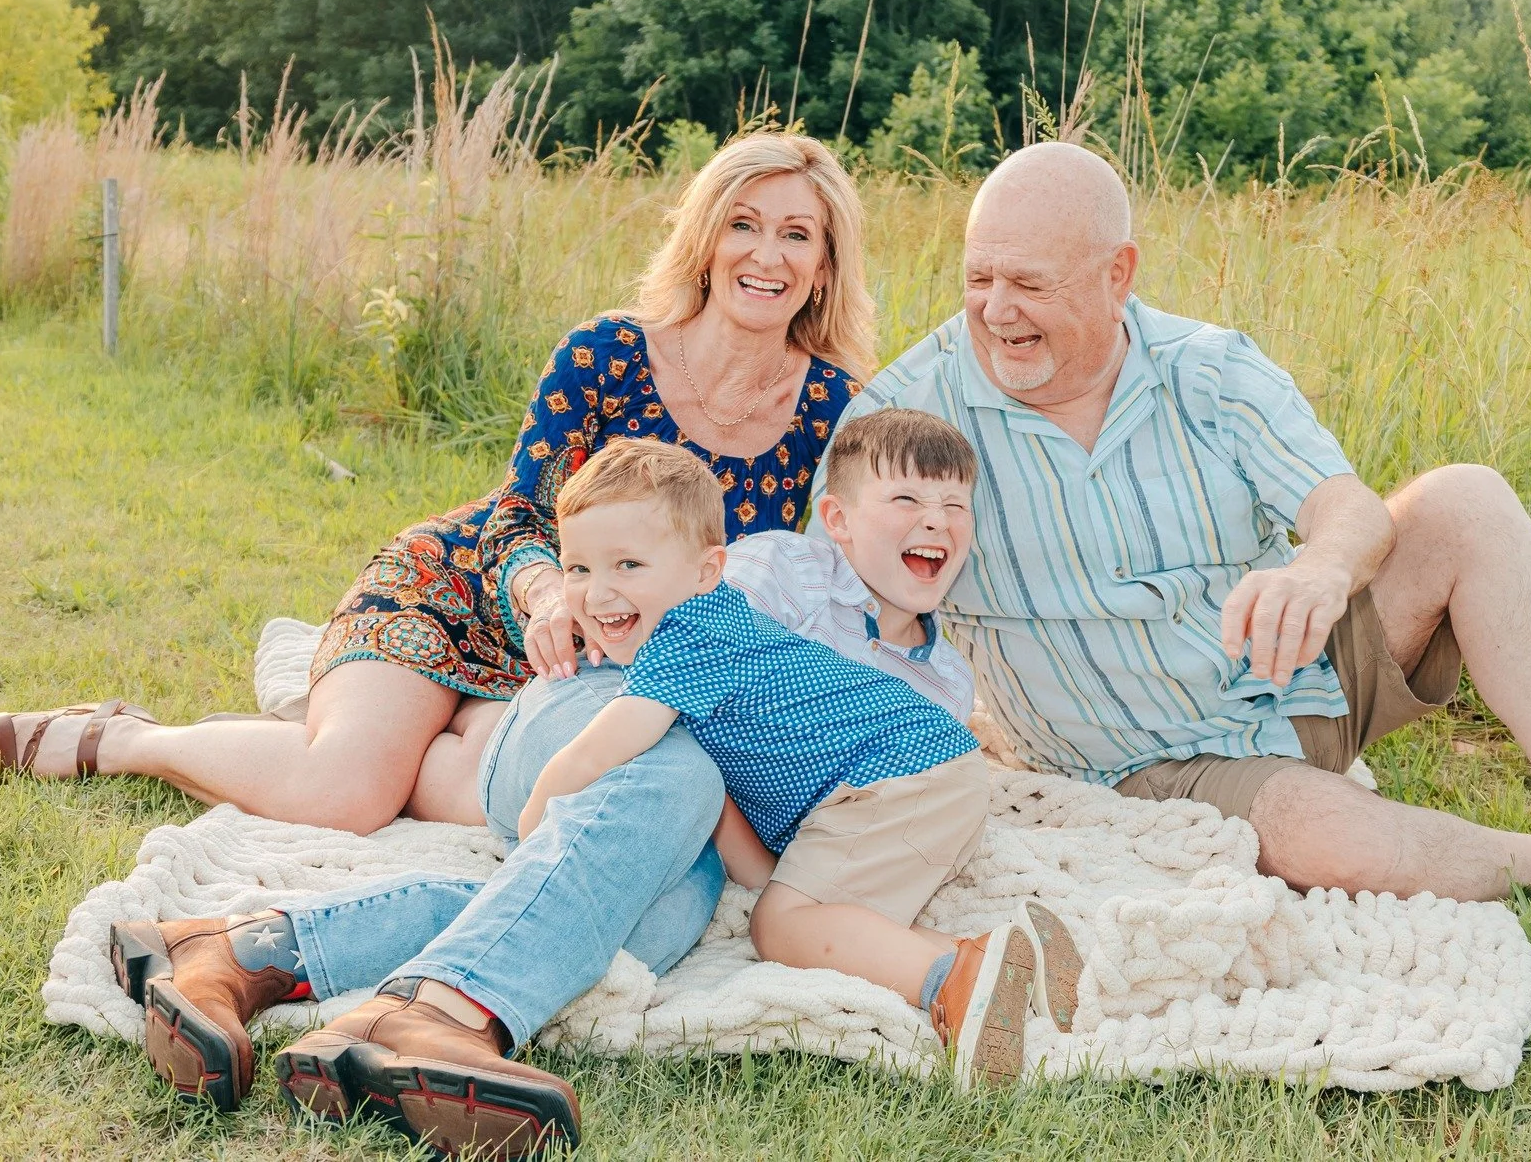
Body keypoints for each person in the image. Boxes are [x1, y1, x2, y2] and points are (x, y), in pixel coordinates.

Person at [821, 141, 1531, 971]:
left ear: (1117, 275)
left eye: (1029, 284)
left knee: (1465, 500)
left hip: (1292, 675)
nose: (994, 310)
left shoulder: (1206, 368)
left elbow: (1346, 508)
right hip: (1147, 759)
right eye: (978, 278)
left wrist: (1319, 570)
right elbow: (841, 594)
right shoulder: (909, 419)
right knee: (1317, 826)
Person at [108, 414, 1077, 1158]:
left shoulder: (721, 600)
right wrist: (555, 609)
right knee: (671, 774)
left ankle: (238, 949)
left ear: (703, 565)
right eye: (586, 566)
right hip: (584, 704)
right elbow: (634, 703)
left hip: (669, 767)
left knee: (633, 930)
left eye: (624, 564)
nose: (601, 582)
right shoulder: (655, 559)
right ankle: (434, 1014)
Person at [0, 133, 874, 830]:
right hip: (469, 591)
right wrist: (551, 589)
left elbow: (828, 578)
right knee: (347, 794)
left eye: (798, 234)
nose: (768, 255)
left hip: (613, 661)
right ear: (708, 241)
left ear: (825, 264)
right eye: (745, 225)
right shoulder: (608, 352)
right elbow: (519, 513)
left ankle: (407, 730)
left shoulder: (834, 407)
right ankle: (119, 738)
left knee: (517, 800)